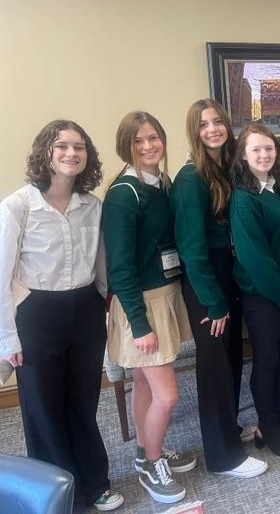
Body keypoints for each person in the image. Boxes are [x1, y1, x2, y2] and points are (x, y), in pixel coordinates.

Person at [0, 120, 123, 512]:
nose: (72, 153)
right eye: (62, 146)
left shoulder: (93, 205)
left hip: (85, 310)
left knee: (83, 403)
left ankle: (94, 483)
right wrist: (7, 338)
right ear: (46, 153)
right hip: (38, 314)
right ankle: (58, 495)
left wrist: (104, 311)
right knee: (43, 409)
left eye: (79, 147)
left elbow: (101, 267)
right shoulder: (18, 205)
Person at [170, 99, 267, 478]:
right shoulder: (190, 179)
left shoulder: (228, 168)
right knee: (213, 367)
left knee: (230, 360)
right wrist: (213, 302)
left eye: (218, 122)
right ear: (194, 131)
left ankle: (228, 429)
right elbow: (191, 250)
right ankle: (224, 458)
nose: (212, 129)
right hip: (205, 283)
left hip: (228, 274)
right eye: (203, 124)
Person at [103, 111, 196, 505]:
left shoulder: (161, 184)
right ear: (127, 145)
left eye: (154, 138)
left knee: (145, 383)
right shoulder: (125, 194)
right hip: (140, 304)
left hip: (165, 293)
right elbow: (119, 268)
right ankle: (151, 465)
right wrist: (139, 325)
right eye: (139, 140)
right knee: (169, 395)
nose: (148, 146)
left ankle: (146, 451)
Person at [229, 124, 280, 456]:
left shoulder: (275, 190)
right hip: (262, 296)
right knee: (267, 361)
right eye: (256, 149)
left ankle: (273, 421)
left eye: (269, 148)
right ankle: (270, 427)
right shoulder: (244, 199)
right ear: (243, 156)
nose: (264, 155)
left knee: (278, 359)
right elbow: (254, 257)